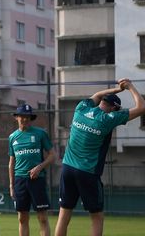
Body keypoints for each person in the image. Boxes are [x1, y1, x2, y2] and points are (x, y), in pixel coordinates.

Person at [54, 78, 145, 236]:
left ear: (102, 102)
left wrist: (116, 90)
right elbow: (141, 107)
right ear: (113, 108)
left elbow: (96, 95)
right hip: (87, 172)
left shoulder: (81, 108)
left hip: (67, 168)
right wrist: (129, 86)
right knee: (96, 217)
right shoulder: (107, 119)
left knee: (64, 215)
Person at [8, 104, 55, 236]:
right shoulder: (12, 137)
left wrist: (39, 167)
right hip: (20, 181)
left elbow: (53, 155)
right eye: (22, 116)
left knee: (43, 218)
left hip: (37, 180)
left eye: (28, 116)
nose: (25, 119)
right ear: (17, 117)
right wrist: (11, 185)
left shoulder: (40, 134)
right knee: (22, 218)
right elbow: (11, 163)